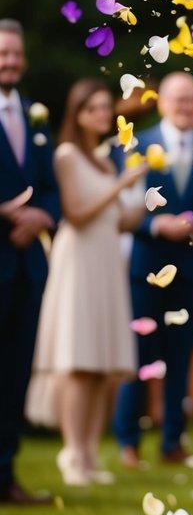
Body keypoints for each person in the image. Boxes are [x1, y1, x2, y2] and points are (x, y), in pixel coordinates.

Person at [26, 80, 145, 485]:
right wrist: (121, 187)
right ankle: (72, 452)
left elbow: (122, 220)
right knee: (78, 361)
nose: (102, 114)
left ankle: (91, 452)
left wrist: (143, 198)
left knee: (102, 365)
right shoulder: (67, 156)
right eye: (92, 108)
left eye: (104, 107)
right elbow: (75, 213)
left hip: (107, 259)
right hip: (78, 260)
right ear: (76, 115)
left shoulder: (108, 162)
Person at [113, 71, 193, 466]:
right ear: (161, 101)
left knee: (180, 356)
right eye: (176, 99)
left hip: (192, 266)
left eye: (189, 100)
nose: (183, 107)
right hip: (146, 264)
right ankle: (128, 440)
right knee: (140, 355)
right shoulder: (136, 145)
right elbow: (120, 208)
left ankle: (172, 442)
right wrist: (154, 224)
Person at [0, 19, 60, 505]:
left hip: (27, 267)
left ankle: (6, 474)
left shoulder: (35, 115)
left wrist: (40, 213)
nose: (11, 62)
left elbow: (51, 187)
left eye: (16, 54)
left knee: (16, 370)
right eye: (3, 54)